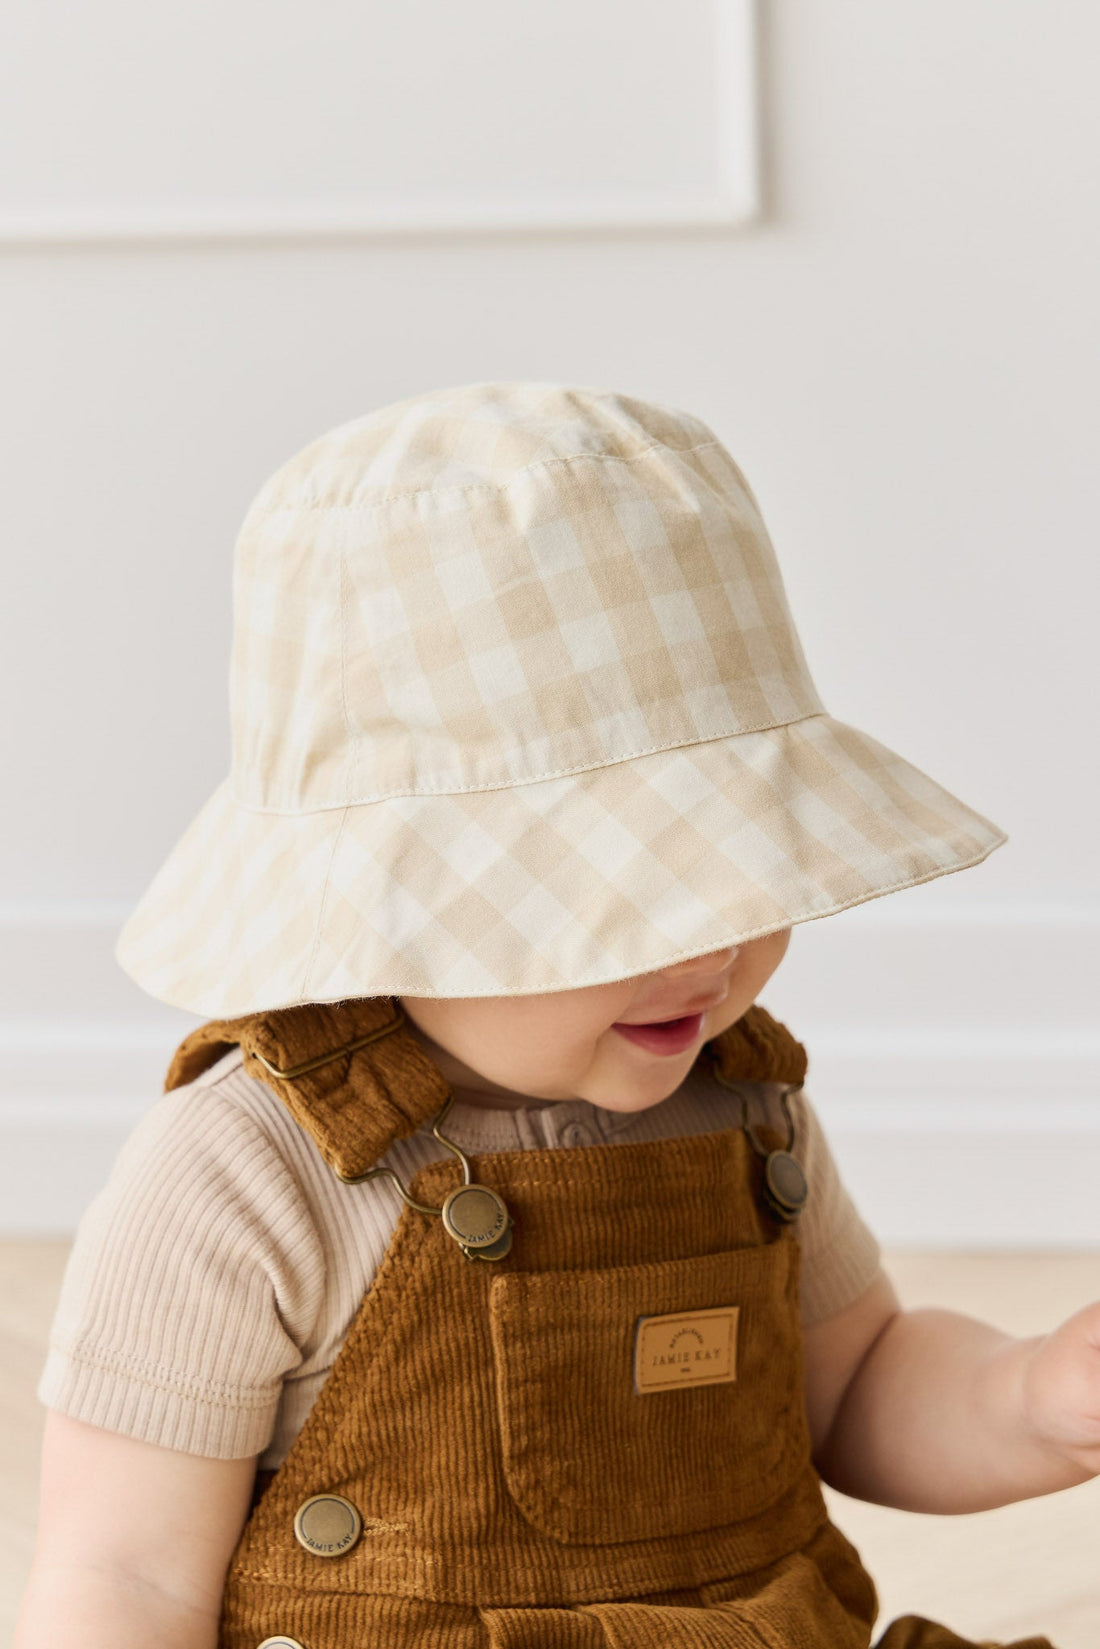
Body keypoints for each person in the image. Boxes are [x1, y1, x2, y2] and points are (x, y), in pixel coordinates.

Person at [15, 383, 1097, 1649]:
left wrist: (1033, 1396)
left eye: (738, 864)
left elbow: (850, 1383)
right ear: (391, 889)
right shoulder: (246, 1170)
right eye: (618, 894)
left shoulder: (747, 1106)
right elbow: (123, 1578)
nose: (706, 942)